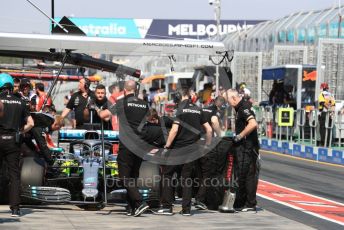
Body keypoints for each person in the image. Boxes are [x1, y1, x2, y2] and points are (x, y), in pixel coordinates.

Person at [156, 87, 212, 216]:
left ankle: (166, 207)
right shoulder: (198, 109)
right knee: (187, 178)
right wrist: (207, 146)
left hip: (178, 149)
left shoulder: (179, 109)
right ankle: (186, 209)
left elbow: (174, 130)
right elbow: (208, 130)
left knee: (167, 176)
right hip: (193, 149)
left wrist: (167, 146)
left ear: (179, 96)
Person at [99, 80, 150, 217]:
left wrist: (98, 110)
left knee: (124, 177)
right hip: (141, 144)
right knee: (133, 176)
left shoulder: (122, 103)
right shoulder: (145, 104)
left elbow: (104, 115)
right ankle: (132, 207)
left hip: (127, 144)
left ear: (124, 90)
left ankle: (140, 202)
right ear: (135, 90)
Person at [0, 73, 34, 217]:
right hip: (13, 140)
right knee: (14, 174)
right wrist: (20, 131)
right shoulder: (20, 102)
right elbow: (31, 123)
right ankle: (15, 208)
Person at [224, 89, 260, 212]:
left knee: (248, 175)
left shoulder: (243, 107)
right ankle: (246, 202)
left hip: (248, 147)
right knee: (244, 174)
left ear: (234, 98)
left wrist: (239, 136)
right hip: (245, 147)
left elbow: (253, 124)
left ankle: (250, 204)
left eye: (229, 101)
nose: (229, 104)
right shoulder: (239, 107)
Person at [195, 96, 227, 210]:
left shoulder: (203, 109)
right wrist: (220, 135)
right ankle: (200, 199)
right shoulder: (215, 111)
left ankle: (197, 196)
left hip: (197, 142)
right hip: (207, 144)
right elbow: (214, 122)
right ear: (220, 105)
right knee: (207, 175)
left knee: (199, 172)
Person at [318, 82, 335, 147]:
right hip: (330, 114)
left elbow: (322, 103)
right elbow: (333, 104)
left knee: (322, 128)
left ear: (322, 88)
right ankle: (329, 143)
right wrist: (331, 111)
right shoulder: (331, 95)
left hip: (323, 113)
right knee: (329, 128)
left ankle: (323, 143)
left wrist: (327, 108)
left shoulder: (321, 94)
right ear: (327, 88)